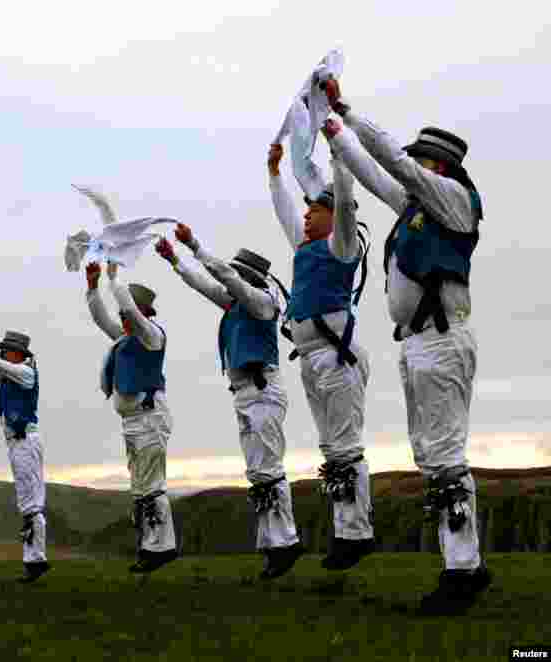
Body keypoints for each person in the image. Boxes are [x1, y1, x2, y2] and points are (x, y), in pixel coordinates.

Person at [323, 79, 490, 614]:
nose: (414, 165)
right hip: (421, 343)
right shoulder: (422, 206)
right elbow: (376, 175)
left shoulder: (456, 201)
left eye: (422, 160)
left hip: (441, 340)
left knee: (443, 455)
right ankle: (465, 564)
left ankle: (462, 570)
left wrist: (348, 112)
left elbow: (395, 165)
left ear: (438, 166)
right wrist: (335, 134)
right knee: (431, 454)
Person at [155, 228, 303, 579]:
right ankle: (274, 545)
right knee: (258, 471)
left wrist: (194, 244)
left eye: (237, 273)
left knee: (268, 468)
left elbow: (223, 277)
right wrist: (175, 260)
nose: (231, 277)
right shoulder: (238, 304)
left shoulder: (262, 302)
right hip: (246, 392)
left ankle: (287, 542)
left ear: (247, 277)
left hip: (261, 389)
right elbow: (203, 284)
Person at [267, 141, 376, 570]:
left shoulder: (342, 246)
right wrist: (274, 174)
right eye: (308, 208)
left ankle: (356, 533)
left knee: (346, 447)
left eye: (315, 209)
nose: (307, 213)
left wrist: (336, 155)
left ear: (334, 217)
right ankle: (345, 533)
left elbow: (345, 201)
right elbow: (283, 212)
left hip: (337, 357)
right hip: (312, 358)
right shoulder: (304, 247)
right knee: (332, 447)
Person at [84, 261, 178, 573]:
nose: (123, 318)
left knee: (151, 484)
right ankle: (150, 546)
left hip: (149, 416)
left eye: (128, 313)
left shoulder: (152, 336)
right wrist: (93, 287)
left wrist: (114, 278)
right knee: (141, 486)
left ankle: (160, 547)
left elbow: (127, 307)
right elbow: (100, 318)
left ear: (140, 314)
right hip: (133, 421)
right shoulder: (123, 340)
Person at [0, 318, 50, 583]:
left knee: (30, 501)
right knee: (28, 499)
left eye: (6, 350)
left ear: (18, 354)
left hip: (25, 440)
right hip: (19, 442)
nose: (3, 353)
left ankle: (35, 560)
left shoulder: (26, 373)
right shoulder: (11, 375)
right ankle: (34, 559)